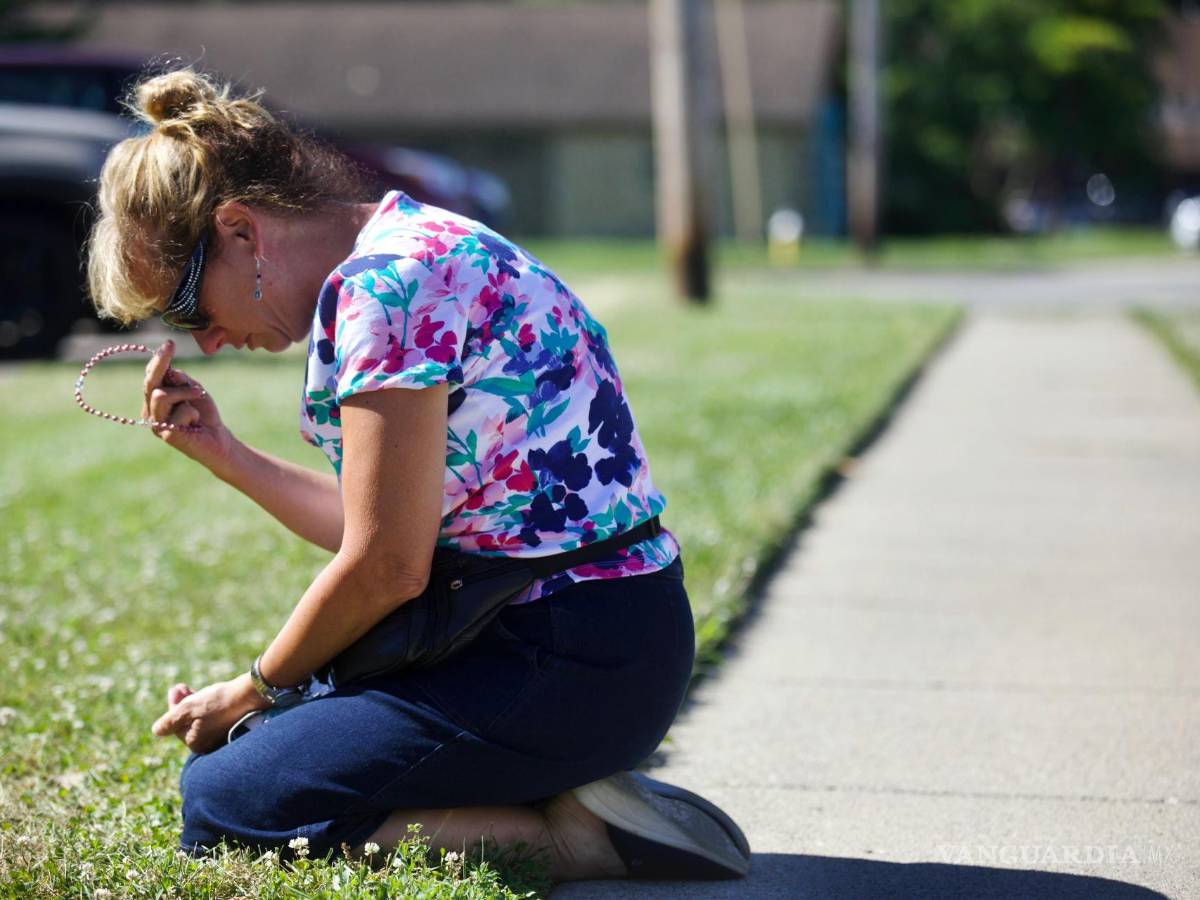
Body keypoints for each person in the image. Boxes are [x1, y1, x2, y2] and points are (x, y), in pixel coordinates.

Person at [84, 67, 751, 885]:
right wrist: (225, 452)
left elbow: (388, 568)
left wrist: (252, 688)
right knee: (255, 764)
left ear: (240, 231)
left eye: (190, 308)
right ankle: (563, 789)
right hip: (592, 638)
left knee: (230, 803)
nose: (207, 342)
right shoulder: (411, 245)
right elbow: (389, 528)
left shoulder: (385, 292)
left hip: (565, 655)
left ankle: (578, 840)